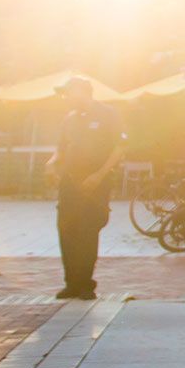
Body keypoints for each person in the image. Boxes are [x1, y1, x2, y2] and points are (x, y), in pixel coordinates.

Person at [49, 77, 125, 300]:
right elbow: (61, 149)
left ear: (82, 91)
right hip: (70, 182)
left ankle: (85, 285)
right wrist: (52, 163)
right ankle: (71, 283)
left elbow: (120, 147)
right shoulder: (69, 119)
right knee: (66, 230)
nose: (65, 98)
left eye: (68, 93)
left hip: (95, 183)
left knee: (87, 231)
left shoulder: (108, 113)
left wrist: (99, 175)